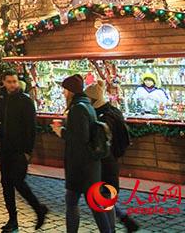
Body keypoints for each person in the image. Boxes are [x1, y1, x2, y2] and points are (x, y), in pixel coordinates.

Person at [0, 71, 47, 232]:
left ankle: (38, 208)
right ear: (3, 82)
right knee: (6, 185)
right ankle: (12, 220)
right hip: (6, 150)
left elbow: (31, 128)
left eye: (14, 81)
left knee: (18, 181)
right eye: (9, 81)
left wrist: (28, 152)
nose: (13, 84)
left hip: (20, 151)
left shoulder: (26, 101)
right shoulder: (1, 101)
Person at [51, 74, 108, 233]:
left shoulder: (77, 108)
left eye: (64, 90)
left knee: (80, 203)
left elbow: (79, 138)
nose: (63, 93)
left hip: (81, 167)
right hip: (88, 166)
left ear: (70, 91)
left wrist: (61, 131)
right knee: (83, 203)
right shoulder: (86, 105)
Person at [85, 81, 139, 233]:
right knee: (104, 197)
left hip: (105, 163)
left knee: (102, 197)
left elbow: (100, 144)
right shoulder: (113, 111)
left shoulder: (101, 118)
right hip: (112, 161)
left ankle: (114, 227)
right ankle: (124, 220)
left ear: (92, 99)